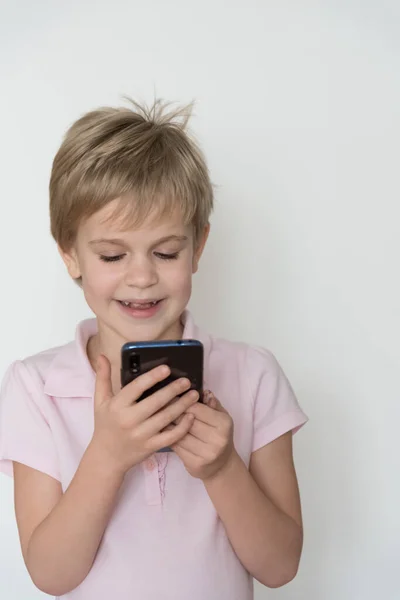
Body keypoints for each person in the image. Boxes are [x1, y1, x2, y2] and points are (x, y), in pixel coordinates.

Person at [0, 99, 308, 600]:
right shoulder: (35, 388)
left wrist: (222, 468)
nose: (141, 276)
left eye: (166, 253)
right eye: (112, 254)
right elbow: (51, 576)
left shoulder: (253, 375)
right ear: (69, 253)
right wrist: (107, 456)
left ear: (199, 247)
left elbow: (280, 566)